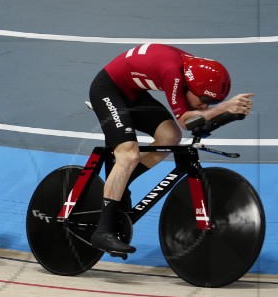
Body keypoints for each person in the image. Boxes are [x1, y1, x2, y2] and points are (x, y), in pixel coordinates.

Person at [88, 43, 254, 254]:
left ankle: (121, 181)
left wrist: (228, 115)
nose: (205, 106)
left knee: (170, 136)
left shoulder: (192, 71)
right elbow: (186, 121)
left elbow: (194, 122)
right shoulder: (173, 73)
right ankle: (102, 232)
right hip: (108, 90)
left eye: (211, 101)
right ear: (190, 85)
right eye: (204, 100)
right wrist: (222, 108)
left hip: (132, 94)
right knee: (128, 155)